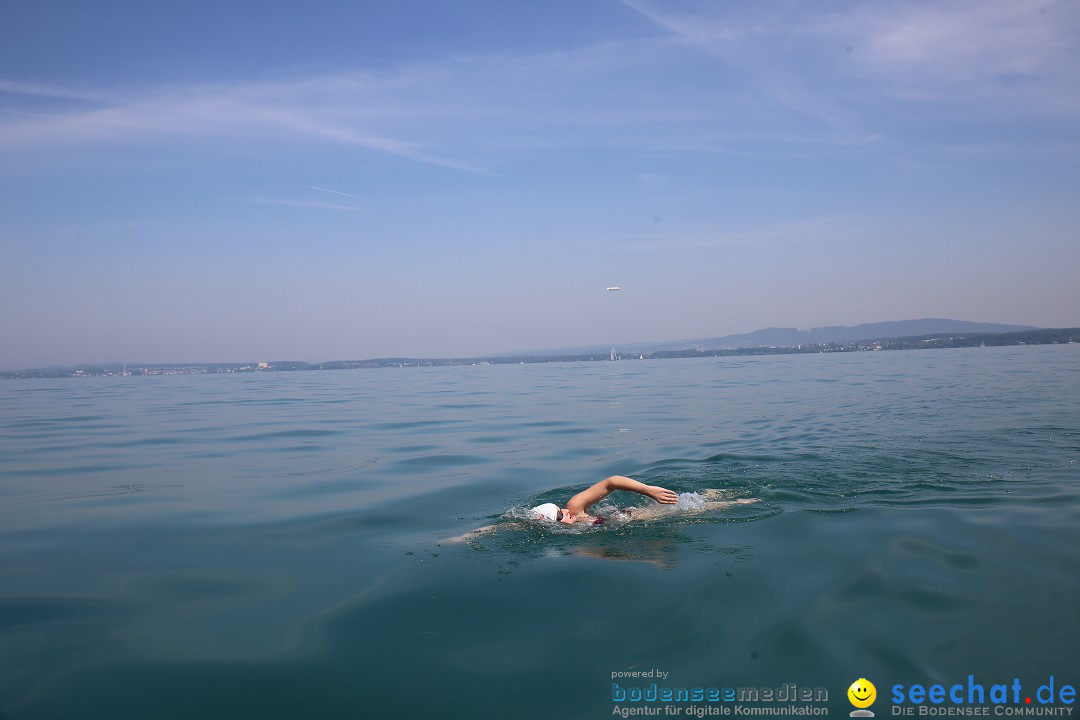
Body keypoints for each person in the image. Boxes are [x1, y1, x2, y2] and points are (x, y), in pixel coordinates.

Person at [531, 475, 677, 524]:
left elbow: (611, 482)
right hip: (627, 523)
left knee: (693, 509)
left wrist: (648, 490)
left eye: (559, 507)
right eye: (560, 514)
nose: (565, 510)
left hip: (634, 515)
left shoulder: (574, 508)